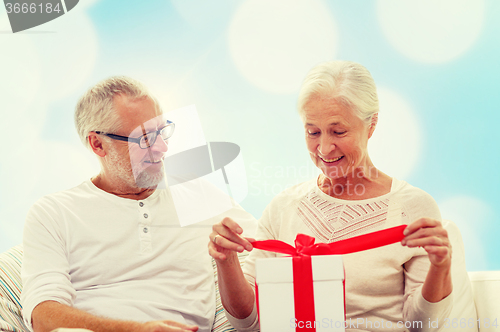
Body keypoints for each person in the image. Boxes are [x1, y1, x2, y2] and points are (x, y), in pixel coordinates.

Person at [208, 61, 454, 331]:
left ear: (371, 125)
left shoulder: (413, 208)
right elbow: (249, 324)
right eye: (312, 132)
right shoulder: (283, 208)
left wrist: (440, 268)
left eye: (339, 131)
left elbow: (423, 326)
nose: (324, 148)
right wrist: (226, 261)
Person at [21, 76, 255, 332]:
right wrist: (136, 330)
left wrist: (228, 259)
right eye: (144, 139)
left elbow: (275, 250)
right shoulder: (54, 213)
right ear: (98, 144)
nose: (162, 148)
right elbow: (43, 316)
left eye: (162, 132)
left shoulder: (198, 196)